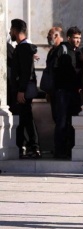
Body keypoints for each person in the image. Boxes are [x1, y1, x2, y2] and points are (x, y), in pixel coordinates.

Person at [9, 19, 41, 159]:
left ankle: (34, 147)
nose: (10, 32)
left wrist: (21, 90)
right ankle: (24, 146)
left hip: (23, 90)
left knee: (27, 118)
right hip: (23, 89)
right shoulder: (24, 47)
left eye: (11, 30)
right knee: (23, 118)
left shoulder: (23, 48)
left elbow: (26, 72)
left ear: (15, 31)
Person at [52, 26, 83, 159]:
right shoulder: (62, 50)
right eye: (75, 38)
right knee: (62, 122)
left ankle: (71, 149)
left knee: (73, 121)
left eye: (79, 38)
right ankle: (60, 150)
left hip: (75, 92)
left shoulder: (79, 52)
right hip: (63, 91)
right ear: (69, 38)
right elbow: (54, 70)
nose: (77, 41)